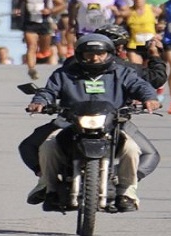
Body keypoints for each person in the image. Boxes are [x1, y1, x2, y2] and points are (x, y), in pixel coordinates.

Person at [25, 34, 161, 212]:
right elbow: (49, 91)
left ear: (109, 54)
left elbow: (141, 86)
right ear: (80, 55)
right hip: (71, 124)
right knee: (47, 147)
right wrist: (40, 102)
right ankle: (49, 188)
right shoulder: (65, 73)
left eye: (100, 54)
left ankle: (127, 191)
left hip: (114, 123)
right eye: (89, 54)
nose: (95, 58)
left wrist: (150, 98)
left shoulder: (122, 72)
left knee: (132, 149)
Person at [15, 0, 66, 79]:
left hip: (44, 22)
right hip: (30, 23)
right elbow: (20, 3)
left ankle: (44, 54)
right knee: (31, 46)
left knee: (44, 49)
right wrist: (18, 10)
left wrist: (51, 10)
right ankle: (31, 69)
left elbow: (62, 5)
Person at [124, 0, 161, 65]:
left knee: (149, 70)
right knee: (137, 69)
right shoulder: (127, 12)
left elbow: (164, 21)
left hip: (151, 45)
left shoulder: (154, 10)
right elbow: (119, 25)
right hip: (134, 44)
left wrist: (159, 33)